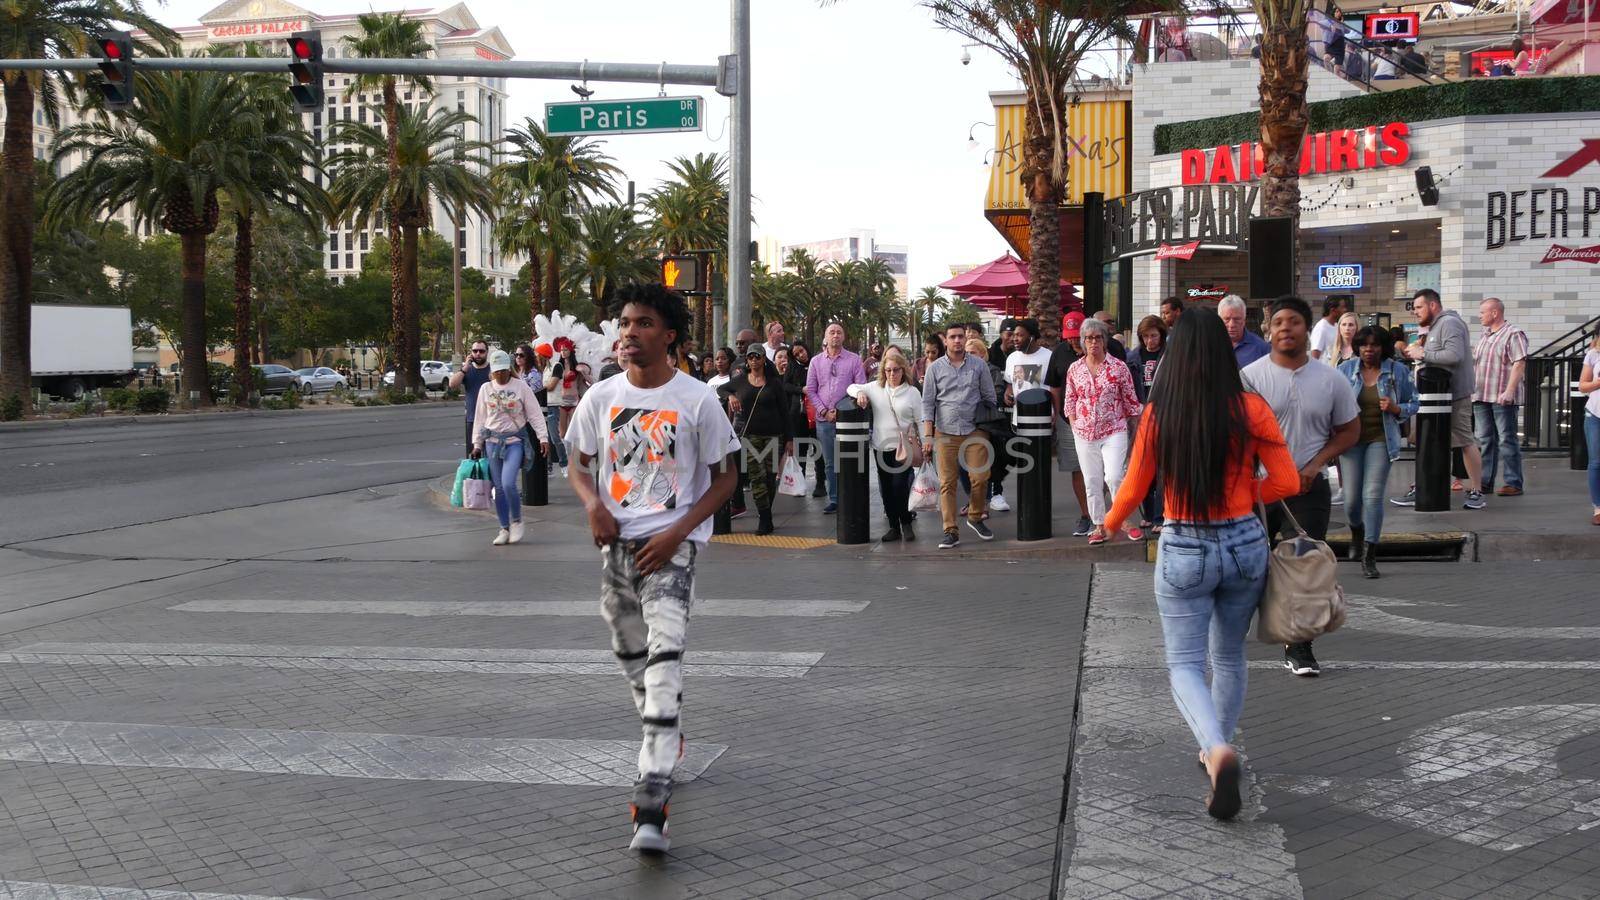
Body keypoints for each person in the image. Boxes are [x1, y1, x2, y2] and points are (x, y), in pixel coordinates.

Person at [1105, 307, 1301, 822]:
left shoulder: (1160, 411)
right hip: (1245, 543)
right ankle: (1220, 744)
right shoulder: (1251, 408)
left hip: (1185, 544)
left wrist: (1106, 525)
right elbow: (1288, 482)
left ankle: (1215, 749)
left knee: (1185, 663)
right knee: (1229, 657)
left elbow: (1134, 486)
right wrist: (1245, 492)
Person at [566, 282, 740, 855]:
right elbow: (578, 463)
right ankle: (668, 732)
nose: (628, 333)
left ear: (669, 336)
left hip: (672, 551)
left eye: (642, 323)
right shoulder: (601, 398)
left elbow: (725, 479)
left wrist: (675, 534)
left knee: (665, 665)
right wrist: (593, 505)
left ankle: (650, 804)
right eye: (623, 323)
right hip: (616, 551)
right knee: (632, 658)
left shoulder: (697, 400)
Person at [1242, 296, 1360, 678]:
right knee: (1250, 564)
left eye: (1293, 322)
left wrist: (1316, 463)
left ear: (1306, 328)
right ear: (1269, 330)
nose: (1285, 329)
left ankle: (1300, 646)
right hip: (1258, 489)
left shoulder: (1331, 379)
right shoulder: (1250, 377)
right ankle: (1234, 633)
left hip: (1308, 487)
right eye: (1278, 323)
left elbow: (1349, 430)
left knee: (1303, 567)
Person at [1336, 326, 1418, 579]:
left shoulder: (1397, 371)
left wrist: (1396, 408)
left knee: (1371, 496)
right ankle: (1357, 532)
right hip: (1351, 441)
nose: (1368, 350)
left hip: (1381, 440)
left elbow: (1414, 402)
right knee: (1350, 501)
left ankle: (1369, 553)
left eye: (1374, 345)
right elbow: (1332, 404)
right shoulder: (1345, 370)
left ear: (1383, 347)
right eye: (1364, 345)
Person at [1395, 289, 1486, 510]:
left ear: (1433, 305)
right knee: (1425, 439)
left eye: (1419, 307)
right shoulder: (1434, 326)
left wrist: (1423, 354)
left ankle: (1476, 491)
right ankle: (1423, 486)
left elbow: (1454, 356)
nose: (1415, 312)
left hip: (1453, 396)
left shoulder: (1450, 323)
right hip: (1432, 397)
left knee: (1464, 440)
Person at [1064, 317, 1144, 545]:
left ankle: (1123, 520)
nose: (1093, 342)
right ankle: (1099, 525)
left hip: (1114, 430)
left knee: (1115, 476)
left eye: (1098, 337)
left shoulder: (1119, 368)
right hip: (1084, 433)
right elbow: (1070, 401)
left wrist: (1134, 433)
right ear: (1082, 341)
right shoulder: (1075, 369)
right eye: (1088, 338)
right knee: (1092, 480)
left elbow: (1130, 402)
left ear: (1105, 340)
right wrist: (1074, 424)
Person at [920, 322, 998, 549]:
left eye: (960, 336)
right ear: (945, 340)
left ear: (966, 339)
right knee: (947, 483)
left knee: (981, 477)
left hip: (975, 430)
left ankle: (975, 515)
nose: (956, 341)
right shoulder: (935, 368)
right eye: (952, 337)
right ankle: (950, 530)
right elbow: (927, 404)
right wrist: (927, 436)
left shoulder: (979, 365)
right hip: (945, 432)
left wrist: (983, 421)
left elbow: (989, 396)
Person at [470, 350, 550, 547]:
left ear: (509, 369)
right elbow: (480, 418)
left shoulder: (521, 387)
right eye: (495, 371)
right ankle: (504, 527)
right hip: (492, 443)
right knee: (499, 488)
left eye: (502, 371)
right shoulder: (485, 389)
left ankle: (516, 521)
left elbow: (535, 414)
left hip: (514, 441)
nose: (499, 374)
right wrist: (477, 444)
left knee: (508, 483)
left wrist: (543, 437)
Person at [848, 348, 923, 542]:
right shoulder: (875, 388)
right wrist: (860, 394)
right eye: (888, 370)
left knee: (900, 486)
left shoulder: (912, 392)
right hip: (881, 447)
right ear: (883, 371)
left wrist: (927, 444)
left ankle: (906, 522)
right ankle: (893, 526)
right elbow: (851, 387)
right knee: (887, 489)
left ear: (903, 370)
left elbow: (921, 420)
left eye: (896, 370)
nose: (892, 374)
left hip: (904, 446)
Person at [718, 346, 794, 536]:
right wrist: (732, 396)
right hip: (750, 437)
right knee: (756, 478)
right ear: (747, 361)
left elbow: (785, 413)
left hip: (774, 436)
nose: (753, 360)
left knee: (769, 478)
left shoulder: (774, 383)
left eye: (757, 356)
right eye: (750, 357)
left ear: (763, 359)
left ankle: (766, 514)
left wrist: (789, 439)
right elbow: (721, 389)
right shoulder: (741, 380)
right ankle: (765, 518)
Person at [804, 323, 867, 514]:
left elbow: (861, 386)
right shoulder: (815, 362)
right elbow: (811, 390)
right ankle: (835, 499)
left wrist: (843, 411)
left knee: (850, 461)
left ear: (844, 337)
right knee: (831, 462)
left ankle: (851, 497)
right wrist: (824, 411)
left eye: (839, 332)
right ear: (825, 336)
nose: (835, 335)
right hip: (825, 421)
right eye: (831, 332)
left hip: (848, 420)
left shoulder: (854, 360)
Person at [1472, 297, 1529, 497]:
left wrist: (1510, 390)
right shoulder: (1485, 336)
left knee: (1506, 438)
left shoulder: (1513, 334)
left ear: (1495, 313)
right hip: (1481, 394)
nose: (1480, 316)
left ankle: (1513, 482)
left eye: (1482, 312)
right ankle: (1485, 482)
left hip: (1501, 395)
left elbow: (1519, 362)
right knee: (1486, 439)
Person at [1046, 311, 1095, 535]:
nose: (1074, 340)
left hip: (1099, 420)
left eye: (1077, 336)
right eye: (1069, 336)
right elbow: (1054, 385)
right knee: (1076, 468)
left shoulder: (1102, 349)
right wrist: (1057, 413)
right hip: (1069, 420)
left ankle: (1100, 511)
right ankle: (1086, 515)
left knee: (1104, 470)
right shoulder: (1059, 353)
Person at [1128, 315, 1168, 529]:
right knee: (1143, 467)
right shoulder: (1133, 357)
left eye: (1154, 336)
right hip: (1140, 415)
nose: (1150, 341)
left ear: (1161, 335)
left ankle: (1160, 516)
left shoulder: (1168, 356)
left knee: (1162, 469)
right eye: (1145, 337)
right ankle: (1147, 513)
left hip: (1163, 414)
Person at [546, 338, 591, 464]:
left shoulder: (577, 366)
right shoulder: (557, 366)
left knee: (575, 431)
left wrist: (584, 373)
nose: (563, 352)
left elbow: (588, 383)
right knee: (562, 433)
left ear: (570, 351)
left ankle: (574, 458)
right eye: (561, 350)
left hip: (574, 402)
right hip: (561, 402)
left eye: (565, 349)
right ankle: (566, 457)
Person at [449, 339, 493, 453]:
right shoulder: (467, 370)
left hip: (491, 419)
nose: (478, 354)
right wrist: (464, 369)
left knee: (490, 455)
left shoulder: (492, 371)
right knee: (474, 455)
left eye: (481, 351)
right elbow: (452, 384)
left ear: (487, 352)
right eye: (475, 351)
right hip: (472, 419)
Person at [1580, 332, 1600, 526]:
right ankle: (1598, 508)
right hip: (1595, 413)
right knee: (1596, 462)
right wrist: (1598, 383)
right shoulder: (1593, 354)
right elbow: (1583, 386)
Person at [1220, 295, 1269, 367]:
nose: (1232, 325)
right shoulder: (1209, 347)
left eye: (1237, 319)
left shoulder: (1262, 348)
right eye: (1227, 319)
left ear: (1244, 320)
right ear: (1219, 320)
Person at [1309, 296, 1346, 361]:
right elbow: (1314, 357)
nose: (1345, 310)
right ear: (1333, 310)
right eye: (1342, 307)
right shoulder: (1321, 328)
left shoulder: (1336, 325)